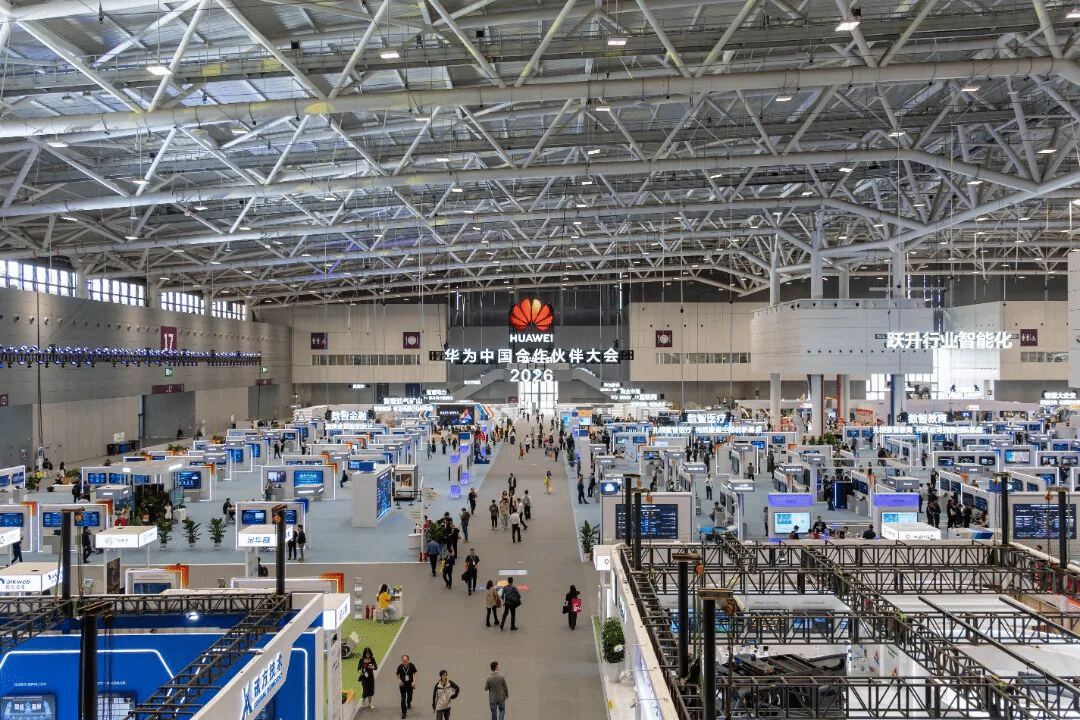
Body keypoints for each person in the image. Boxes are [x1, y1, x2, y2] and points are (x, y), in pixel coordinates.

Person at [395, 654, 418, 719]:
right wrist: (399, 680)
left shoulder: (411, 666)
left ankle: (408, 702)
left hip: (410, 684)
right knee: (403, 698)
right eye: (403, 660)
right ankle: (404, 712)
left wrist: (414, 681)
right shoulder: (400, 667)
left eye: (406, 660)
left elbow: (414, 673)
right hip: (403, 684)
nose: (404, 661)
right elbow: (397, 674)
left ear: (408, 660)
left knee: (410, 695)